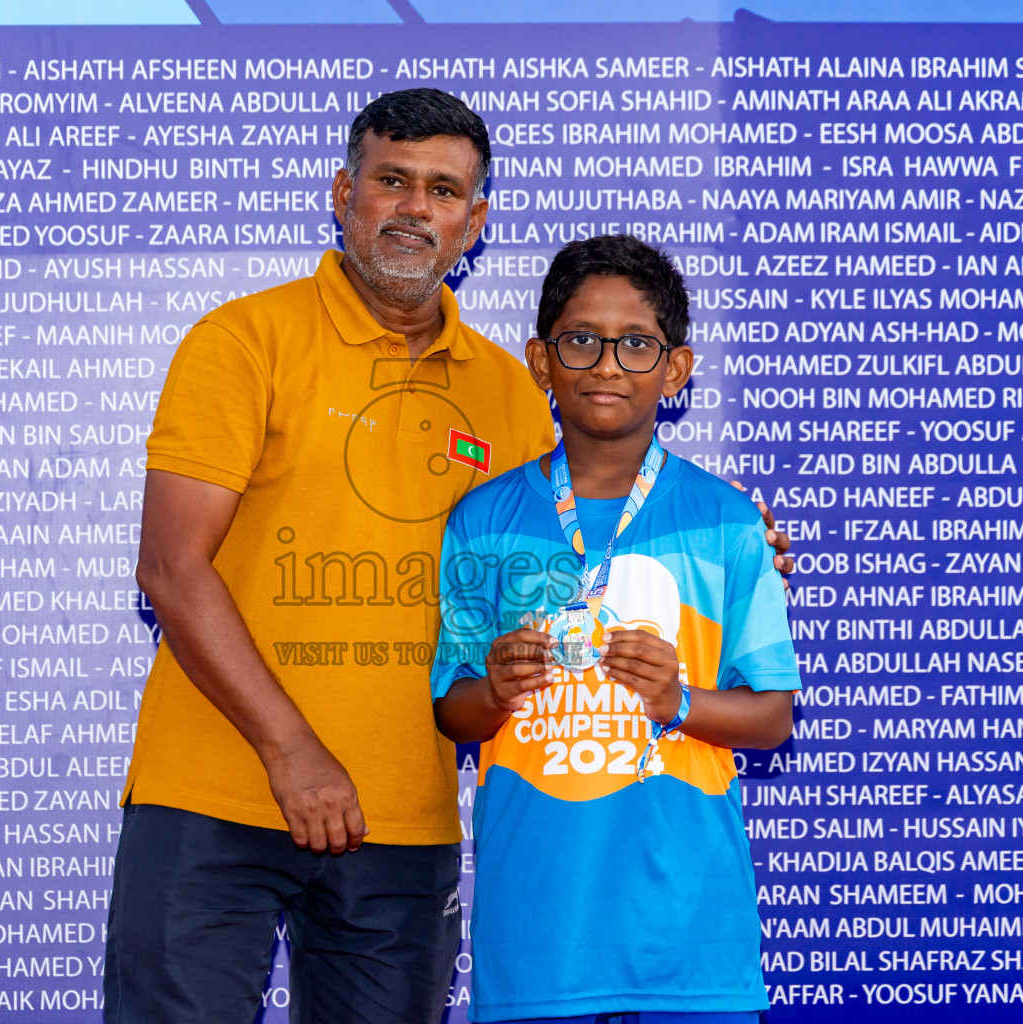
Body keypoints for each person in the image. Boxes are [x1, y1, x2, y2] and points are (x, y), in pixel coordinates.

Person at [104, 88, 558, 1024]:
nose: (412, 209)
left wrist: (717, 547)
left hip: (403, 819)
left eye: (442, 190)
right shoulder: (244, 340)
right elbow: (171, 569)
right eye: (391, 180)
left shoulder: (512, 394)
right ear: (344, 192)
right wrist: (292, 750)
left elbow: (556, 577)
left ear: (475, 222)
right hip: (215, 800)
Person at [431, 235, 800, 1023]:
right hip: (537, 940)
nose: (606, 365)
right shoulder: (483, 520)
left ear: (676, 369)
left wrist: (678, 700)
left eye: (636, 345)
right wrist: (493, 691)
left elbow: (771, 719)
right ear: (540, 360)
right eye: (581, 342)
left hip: (689, 942)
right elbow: (450, 707)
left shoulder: (729, 522)